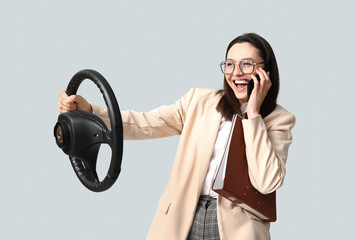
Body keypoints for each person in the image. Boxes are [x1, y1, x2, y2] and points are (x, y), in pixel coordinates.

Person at [58, 33, 295, 240]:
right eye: (230, 64)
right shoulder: (199, 101)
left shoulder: (279, 119)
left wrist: (253, 115)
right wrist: (91, 111)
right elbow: (145, 123)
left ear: (265, 71)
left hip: (236, 228)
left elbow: (267, 182)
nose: (236, 73)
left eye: (247, 64)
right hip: (183, 216)